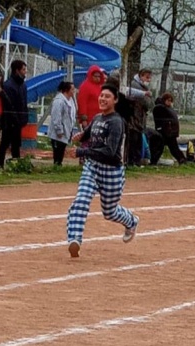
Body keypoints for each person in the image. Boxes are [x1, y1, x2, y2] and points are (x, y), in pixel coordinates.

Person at [66, 84, 139, 258]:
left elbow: (109, 152)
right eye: (101, 96)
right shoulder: (98, 117)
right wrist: (81, 136)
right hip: (92, 167)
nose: (102, 99)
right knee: (81, 200)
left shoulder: (116, 122)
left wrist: (81, 152)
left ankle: (132, 221)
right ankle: (74, 239)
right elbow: (90, 133)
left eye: (107, 96)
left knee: (109, 212)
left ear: (115, 100)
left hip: (112, 171)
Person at [0, 60, 29, 169]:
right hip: (9, 122)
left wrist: (24, 117)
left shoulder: (23, 85)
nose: (25, 72)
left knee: (16, 145)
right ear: (17, 70)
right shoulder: (8, 85)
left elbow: (24, 103)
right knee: (4, 144)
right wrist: (14, 119)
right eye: (23, 69)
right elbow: (9, 105)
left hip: (19, 122)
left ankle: (17, 165)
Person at [151, 92, 187, 165]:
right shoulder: (161, 108)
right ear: (164, 100)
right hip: (165, 132)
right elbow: (161, 121)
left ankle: (182, 160)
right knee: (163, 148)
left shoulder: (167, 108)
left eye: (170, 101)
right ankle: (182, 160)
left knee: (172, 148)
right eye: (168, 100)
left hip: (169, 133)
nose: (169, 102)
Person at [128, 68, 153, 166]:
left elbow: (150, 103)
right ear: (141, 76)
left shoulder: (143, 88)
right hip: (134, 118)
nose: (148, 80)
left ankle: (136, 161)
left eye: (149, 78)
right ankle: (132, 161)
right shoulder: (135, 86)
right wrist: (147, 97)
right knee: (134, 140)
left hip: (139, 118)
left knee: (138, 140)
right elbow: (146, 103)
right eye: (147, 77)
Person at [48, 81, 77, 166]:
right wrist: (59, 130)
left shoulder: (71, 100)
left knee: (62, 150)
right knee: (57, 151)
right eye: (72, 89)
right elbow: (56, 117)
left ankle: (59, 165)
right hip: (58, 133)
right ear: (66, 90)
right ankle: (56, 166)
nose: (74, 91)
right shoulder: (59, 101)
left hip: (67, 131)